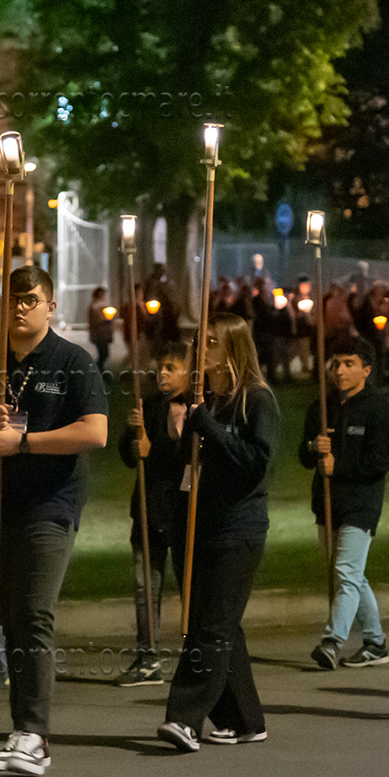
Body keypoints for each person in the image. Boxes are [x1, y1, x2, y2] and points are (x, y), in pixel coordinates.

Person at [0, 265, 109, 777]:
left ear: (50, 306)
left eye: (30, 299)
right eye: (11, 299)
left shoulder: (72, 362)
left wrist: (24, 442)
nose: (19, 307)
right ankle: (21, 730)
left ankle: (34, 734)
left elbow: (95, 432)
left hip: (49, 506)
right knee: (10, 618)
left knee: (34, 612)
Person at [155, 314, 280, 751]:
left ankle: (184, 718)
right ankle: (244, 719)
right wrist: (177, 433)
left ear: (233, 348)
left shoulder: (256, 401)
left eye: (210, 342)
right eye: (198, 341)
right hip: (200, 524)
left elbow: (255, 463)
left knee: (208, 628)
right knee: (219, 623)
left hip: (238, 527)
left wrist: (206, 425)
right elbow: (184, 466)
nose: (200, 349)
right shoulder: (206, 400)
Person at [299, 335, 389, 671]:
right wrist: (314, 447)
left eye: (349, 364)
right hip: (327, 504)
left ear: (366, 370)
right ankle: (376, 642)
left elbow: (381, 460)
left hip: (361, 504)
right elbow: (303, 456)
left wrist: (338, 467)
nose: (339, 370)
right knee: (350, 574)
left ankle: (332, 641)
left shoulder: (378, 409)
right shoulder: (321, 407)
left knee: (346, 571)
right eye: (336, 363)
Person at [117, 338, 193, 687]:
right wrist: (134, 442)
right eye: (160, 367)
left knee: (190, 586)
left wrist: (153, 448)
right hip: (149, 509)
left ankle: (196, 655)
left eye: (171, 368)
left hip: (183, 510)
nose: (162, 373)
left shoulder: (198, 409)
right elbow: (129, 453)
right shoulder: (147, 406)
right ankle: (148, 657)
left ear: (188, 372)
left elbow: (187, 458)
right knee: (146, 588)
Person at [87, 286, 117, 370]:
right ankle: (97, 369)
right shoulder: (95, 306)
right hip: (99, 333)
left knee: (105, 354)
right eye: (101, 294)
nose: (103, 296)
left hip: (104, 333)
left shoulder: (102, 305)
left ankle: (98, 369)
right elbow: (94, 321)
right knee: (103, 354)